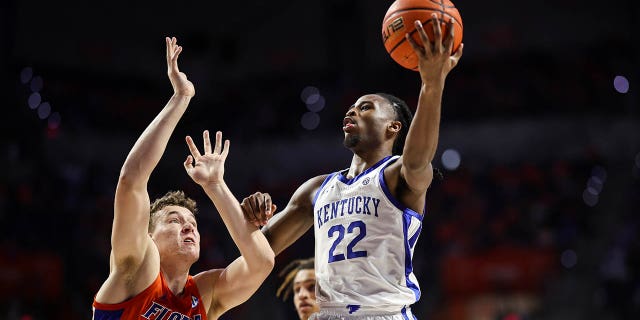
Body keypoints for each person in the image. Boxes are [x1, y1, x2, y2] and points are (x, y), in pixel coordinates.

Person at [241, 15, 463, 319]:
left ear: (393, 127)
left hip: (383, 313)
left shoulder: (398, 175)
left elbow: (418, 158)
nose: (352, 110)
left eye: (366, 107)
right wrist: (243, 216)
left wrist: (431, 83)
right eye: (352, 106)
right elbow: (259, 251)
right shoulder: (316, 189)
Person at [92, 37, 274, 320]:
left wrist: (215, 186)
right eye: (175, 220)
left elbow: (261, 263)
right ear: (148, 235)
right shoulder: (136, 268)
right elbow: (131, 180)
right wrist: (180, 98)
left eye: (192, 223)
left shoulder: (204, 293)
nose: (188, 228)